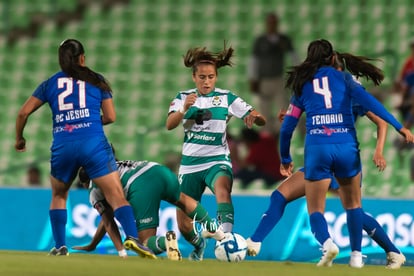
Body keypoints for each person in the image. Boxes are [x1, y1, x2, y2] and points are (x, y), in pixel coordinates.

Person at [278, 39, 414, 268]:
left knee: (348, 208)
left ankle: (380, 251)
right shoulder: (336, 86)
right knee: (353, 208)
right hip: (339, 153)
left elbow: (377, 118)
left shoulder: (342, 85)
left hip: (331, 153)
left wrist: (380, 149)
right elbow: (320, 114)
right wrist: (399, 126)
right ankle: (374, 254)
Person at [14, 39, 155, 258]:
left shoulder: (50, 83)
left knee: (59, 195)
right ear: (83, 58)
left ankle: (61, 246)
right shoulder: (96, 80)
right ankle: (133, 239)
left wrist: (19, 139)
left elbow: (23, 113)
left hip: (63, 145)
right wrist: (89, 121)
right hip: (93, 144)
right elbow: (110, 117)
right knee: (116, 194)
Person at [246, 106, 406, 269]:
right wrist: (293, 115)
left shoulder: (350, 90)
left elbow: (381, 122)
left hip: (337, 159)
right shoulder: (327, 87)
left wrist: (378, 151)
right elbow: (321, 115)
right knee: (282, 196)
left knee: (344, 210)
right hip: (325, 158)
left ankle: (258, 241)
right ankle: (392, 252)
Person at [166, 44, 266, 261]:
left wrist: (254, 118)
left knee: (222, 190)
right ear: (194, 77)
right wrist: (184, 109)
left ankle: (226, 239)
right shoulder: (183, 96)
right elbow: (169, 124)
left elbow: (260, 118)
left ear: (216, 77)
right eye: (202, 77)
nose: (206, 81)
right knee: (183, 223)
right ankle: (199, 245)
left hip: (217, 159)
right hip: (190, 164)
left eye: (211, 77)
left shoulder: (227, 98)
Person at [72, 159, 225, 260]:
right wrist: (93, 244)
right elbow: (107, 218)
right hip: (157, 169)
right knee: (182, 200)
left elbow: (108, 222)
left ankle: (167, 242)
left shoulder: (94, 187)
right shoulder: (112, 165)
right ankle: (211, 227)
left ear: (86, 182)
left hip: (141, 186)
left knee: (143, 243)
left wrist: (121, 251)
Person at [247, 12, 299, 136]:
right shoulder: (260, 41)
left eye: (273, 23)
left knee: (283, 107)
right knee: (264, 109)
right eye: (269, 23)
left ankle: (281, 133)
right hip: (264, 79)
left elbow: (294, 57)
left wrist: (298, 72)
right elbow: (254, 60)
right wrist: (252, 78)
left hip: (278, 79)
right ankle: (267, 135)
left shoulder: (283, 40)